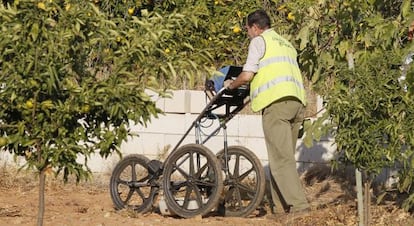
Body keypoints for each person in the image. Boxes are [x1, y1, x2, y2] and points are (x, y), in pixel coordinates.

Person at [224, 9, 310, 215]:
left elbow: (246, 75)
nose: (248, 34)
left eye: (247, 29)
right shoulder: (285, 43)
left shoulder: (259, 41)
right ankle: (280, 209)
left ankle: (299, 208)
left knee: (281, 160)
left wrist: (230, 86)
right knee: (284, 157)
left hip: (277, 104)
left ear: (255, 27)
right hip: (297, 103)